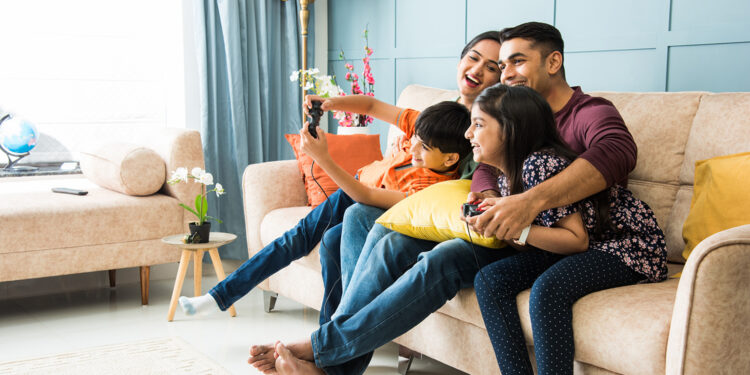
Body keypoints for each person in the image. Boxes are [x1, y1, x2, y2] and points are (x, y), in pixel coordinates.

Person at [259, 22, 640, 375]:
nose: (506, 73)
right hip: (501, 225)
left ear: (554, 61)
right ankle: (334, 362)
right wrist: (490, 201)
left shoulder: (589, 112)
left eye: (515, 62)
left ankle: (323, 350)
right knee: (373, 227)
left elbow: (617, 152)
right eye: (502, 65)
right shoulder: (505, 110)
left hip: (536, 233)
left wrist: (527, 204)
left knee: (440, 260)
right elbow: (487, 168)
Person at [178, 94, 472, 323]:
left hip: (363, 198)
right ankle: (219, 297)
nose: (413, 148)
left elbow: (366, 196)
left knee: (326, 241)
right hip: (356, 184)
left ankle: (327, 331)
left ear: (449, 160)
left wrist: (323, 158)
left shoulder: (428, 190)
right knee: (296, 239)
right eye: (414, 140)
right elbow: (370, 105)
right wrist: (330, 104)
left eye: (423, 148)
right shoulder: (429, 127)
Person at [468, 84, 667, 375]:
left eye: (478, 124)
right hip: (581, 247)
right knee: (489, 280)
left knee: (549, 289)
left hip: (624, 245)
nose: (468, 134)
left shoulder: (538, 164)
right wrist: (498, 226)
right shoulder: (504, 178)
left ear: (510, 130)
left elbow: (576, 241)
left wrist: (518, 230)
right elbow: (532, 242)